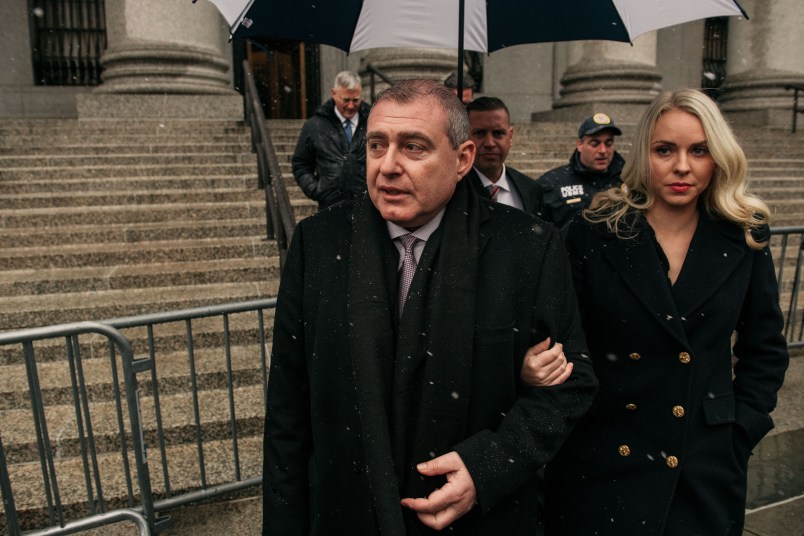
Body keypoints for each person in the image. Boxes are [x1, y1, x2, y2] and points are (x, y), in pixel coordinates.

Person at [263, 79, 598, 535]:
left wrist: (489, 466)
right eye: (377, 145)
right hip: (347, 514)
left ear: (462, 160)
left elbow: (570, 384)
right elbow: (288, 407)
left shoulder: (527, 248)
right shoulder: (318, 244)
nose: (387, 167)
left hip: (474, 521)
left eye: (413, 147)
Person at [538, 89, 790, 535]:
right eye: (664, 150)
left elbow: (765, 349)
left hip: (704, 463)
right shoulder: (595, 233)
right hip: (604, 456)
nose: (682, 166)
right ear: (643, 156)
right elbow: (564, 337)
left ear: (719, 156)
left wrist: (740, 429)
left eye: (699, 150)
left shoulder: (745, 237)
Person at [292, 70, 371, 210]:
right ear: (334, 94)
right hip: (330, 207)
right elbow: (301, 164)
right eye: (346, 100)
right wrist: (317, 190)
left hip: (369, 207)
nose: (351, 106)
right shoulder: (314, 126)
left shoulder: (374, 121)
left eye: (356, 100)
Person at [537, 113, 624, 233]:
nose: (603, 150)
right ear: (580, 144)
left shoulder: (627, 180)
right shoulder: (552, 183)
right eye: (595, 144)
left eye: (608, 144)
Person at [464, 96, 543, 216]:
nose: (490, 143)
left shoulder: (531, 189)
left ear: (510, 137)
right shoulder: (451, 189)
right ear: (465, 137)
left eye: (498, 133)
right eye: (480, 133)